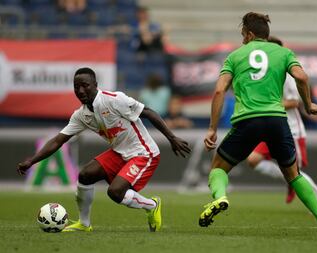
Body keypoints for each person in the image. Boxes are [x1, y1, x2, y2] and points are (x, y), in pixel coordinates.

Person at [198, 12, 317, 236]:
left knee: (218, 168)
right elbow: (302, 77)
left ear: (251, 34)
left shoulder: (235, 56)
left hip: (247, 121)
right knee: (293, 175)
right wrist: (309, 104)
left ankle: (221, 197)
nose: (242, 38)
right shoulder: (284, 53)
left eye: (244, 34)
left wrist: (212, 128)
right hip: (277, 120)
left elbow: (218, 90)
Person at [17, 67, 191, 232]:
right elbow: (58, 140)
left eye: (85, 86)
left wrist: (172, 137)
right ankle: (84, 224)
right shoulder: (81, 115)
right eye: (76, 87)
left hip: (144, 153)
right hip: (119, 152)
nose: (81, 91)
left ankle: (152, 205)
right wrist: (31, 161)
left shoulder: (114, 99)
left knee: (115, 192)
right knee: (85, 175)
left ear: (95, 85)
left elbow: (149, 112)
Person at [246, 36, 317, 209]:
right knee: (253, 159)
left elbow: (294, 102)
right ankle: (288, 179)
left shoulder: (287, 74)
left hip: (290, 129)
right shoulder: (267, 73)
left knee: (295, 173)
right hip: (271, 127)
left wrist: (266, 104)